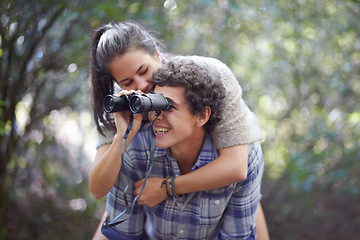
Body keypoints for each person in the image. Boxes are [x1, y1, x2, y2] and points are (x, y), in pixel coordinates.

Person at [89, 20, 269, 240]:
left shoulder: (208, 76)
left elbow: (237, 167)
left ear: (157, 55)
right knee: (113, 223)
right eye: (127, 82)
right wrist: (122, 137)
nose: (142, 85)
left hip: (222, 175)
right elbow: (98, 189)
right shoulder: (120, 104)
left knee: (243, 195)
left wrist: (167, 188)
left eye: (144, 71)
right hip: (150, 178)